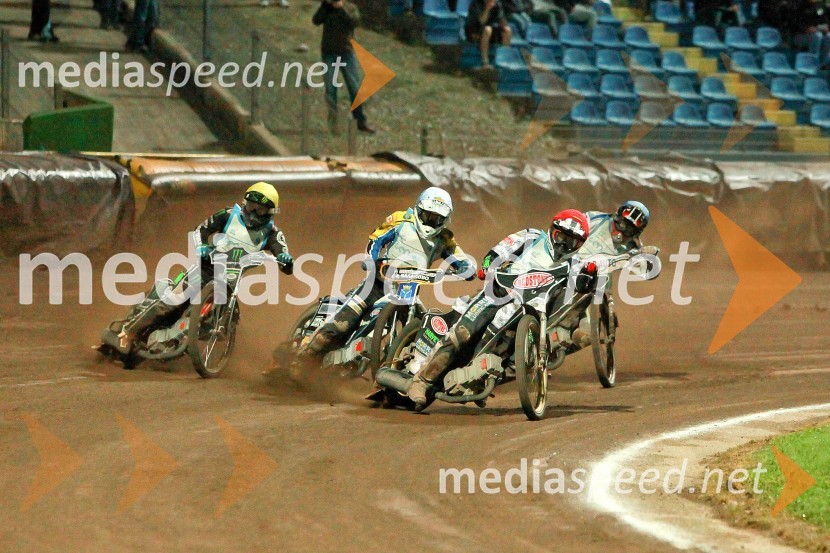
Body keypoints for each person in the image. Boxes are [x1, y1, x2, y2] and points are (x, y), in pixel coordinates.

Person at [407, 209, 591, 406]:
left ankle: (480, 377)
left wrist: (589, 277)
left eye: (570, 241)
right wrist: (488, 266)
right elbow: (499, 250)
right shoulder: (532, 236)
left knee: (504, 343)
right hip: (498, 291)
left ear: (579, 245)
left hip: (530, 306)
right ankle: (422, 381)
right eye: (560, 236)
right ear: (552, 231)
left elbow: (582, 285)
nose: (563, 244)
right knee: (463, 333)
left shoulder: (575, 264)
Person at [105, 182, 294, 356]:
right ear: (245, 203)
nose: (253, 212)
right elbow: (201, 229)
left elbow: (283, 255)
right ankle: (127, 333)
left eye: (260, 210)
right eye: (251, 206)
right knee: (171, 300)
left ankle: (183, 338)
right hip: (205, 269)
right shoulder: (228, 215)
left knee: (220, 315)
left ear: (270, 212)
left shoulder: (273, 233)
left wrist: (285, 259)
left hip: (230, 281)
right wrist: (202, 246)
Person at [296, 187, 475, 360]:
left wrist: (467, 269)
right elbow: (376, 239)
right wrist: (371, 260)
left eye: (437, 219)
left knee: (421, 328)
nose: (431, 222)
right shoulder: (400, 219)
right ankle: (304, 355)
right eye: (428, 216)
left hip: (409, 292)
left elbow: (461, 258)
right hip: (377, 283)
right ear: (419, 210)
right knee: (343, 322)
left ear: (445, 220)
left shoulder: (445, 238)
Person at [552, 200, 660, 350]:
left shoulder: (634, 247)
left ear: (637, 232)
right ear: (616, 216)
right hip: (565, 264)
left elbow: (650, 272)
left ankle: (571, 336)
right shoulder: (594, 219)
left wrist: (650, 259)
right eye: (621, 223)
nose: (621, 231)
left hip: (591, 282)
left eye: (629, 229)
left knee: (584, 334)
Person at [313, 0, 375, 134]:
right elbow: (316, 20)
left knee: (355, 88)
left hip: (346, 53)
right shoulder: (326, 8)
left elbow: (355, 22)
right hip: (329, 53)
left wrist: (341, 9)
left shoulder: (350, 8)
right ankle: (333, 124)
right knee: (331, 90)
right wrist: (325, 6)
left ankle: (360, 120)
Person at [466, 0, 513, 69]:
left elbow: (501, 20)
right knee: (487, 29)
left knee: (507, 30)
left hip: (489, 30)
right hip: (474, 30)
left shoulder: (497, 5)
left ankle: (505, 59)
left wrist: (503, 24)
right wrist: (487, 8)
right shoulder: (476, 4)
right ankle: (485, 62)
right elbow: (481, 21)